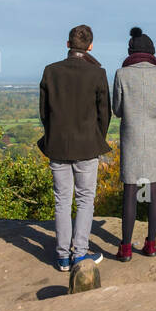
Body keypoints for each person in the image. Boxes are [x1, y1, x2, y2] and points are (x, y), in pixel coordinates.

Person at [37, 25, 111, 272]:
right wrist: (97, 138)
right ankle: (79, 253)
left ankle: (62, 257)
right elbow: (105, 114)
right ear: (90, 46)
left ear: (68, 44)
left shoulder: (50, 71)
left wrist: (53, 135)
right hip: (87, 146)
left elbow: (44, 113)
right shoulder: (97, 73)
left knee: (62, 201)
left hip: (58, 145)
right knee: (85, 200)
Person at [111, 26, 156, 261]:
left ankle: (125, 248)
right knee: (153, 191)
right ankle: (151, 245)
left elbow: (117, 109)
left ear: (131, 51)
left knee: (131, 191)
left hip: (132, 138)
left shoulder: (121, 74)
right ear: (152, 52)